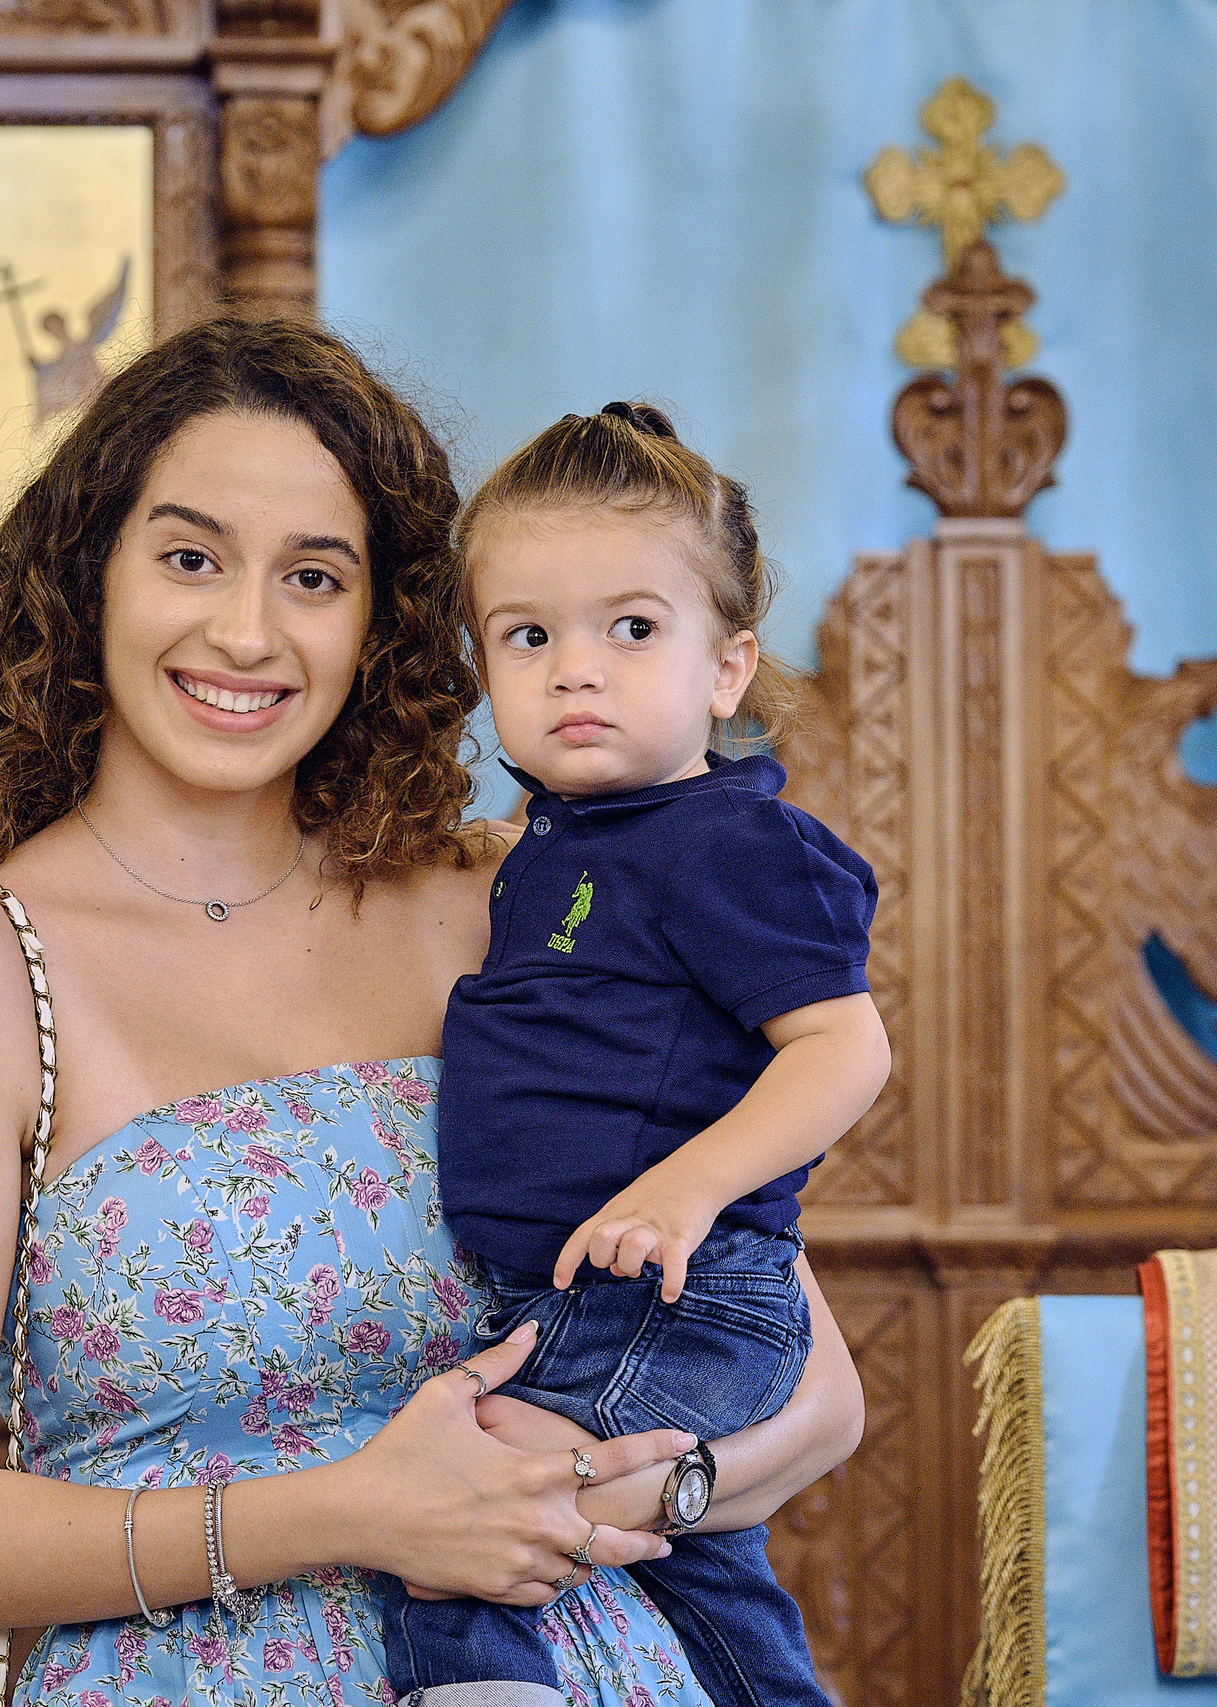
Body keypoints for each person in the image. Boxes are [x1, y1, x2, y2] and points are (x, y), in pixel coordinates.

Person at [0, 318, 865, 1705]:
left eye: (315, 575)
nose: (246, 630)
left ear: (384, 623)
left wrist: (636, 1494)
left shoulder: (515, 896)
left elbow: (819, 1389)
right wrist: (359, 1510)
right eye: (190, 557)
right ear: (88, 578)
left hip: (590, 1660)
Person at [380, 403, 890, 1707]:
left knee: (469, 1488)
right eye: (528, 634)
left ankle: (480, 1688)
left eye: (634, 628)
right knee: (711, 1569)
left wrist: (687, 1187)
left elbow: (844, 1047)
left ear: (726, 669)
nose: (576, 670)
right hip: (577, 1287)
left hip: (687, 1285)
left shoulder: (732, 841)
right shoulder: (555, 842)